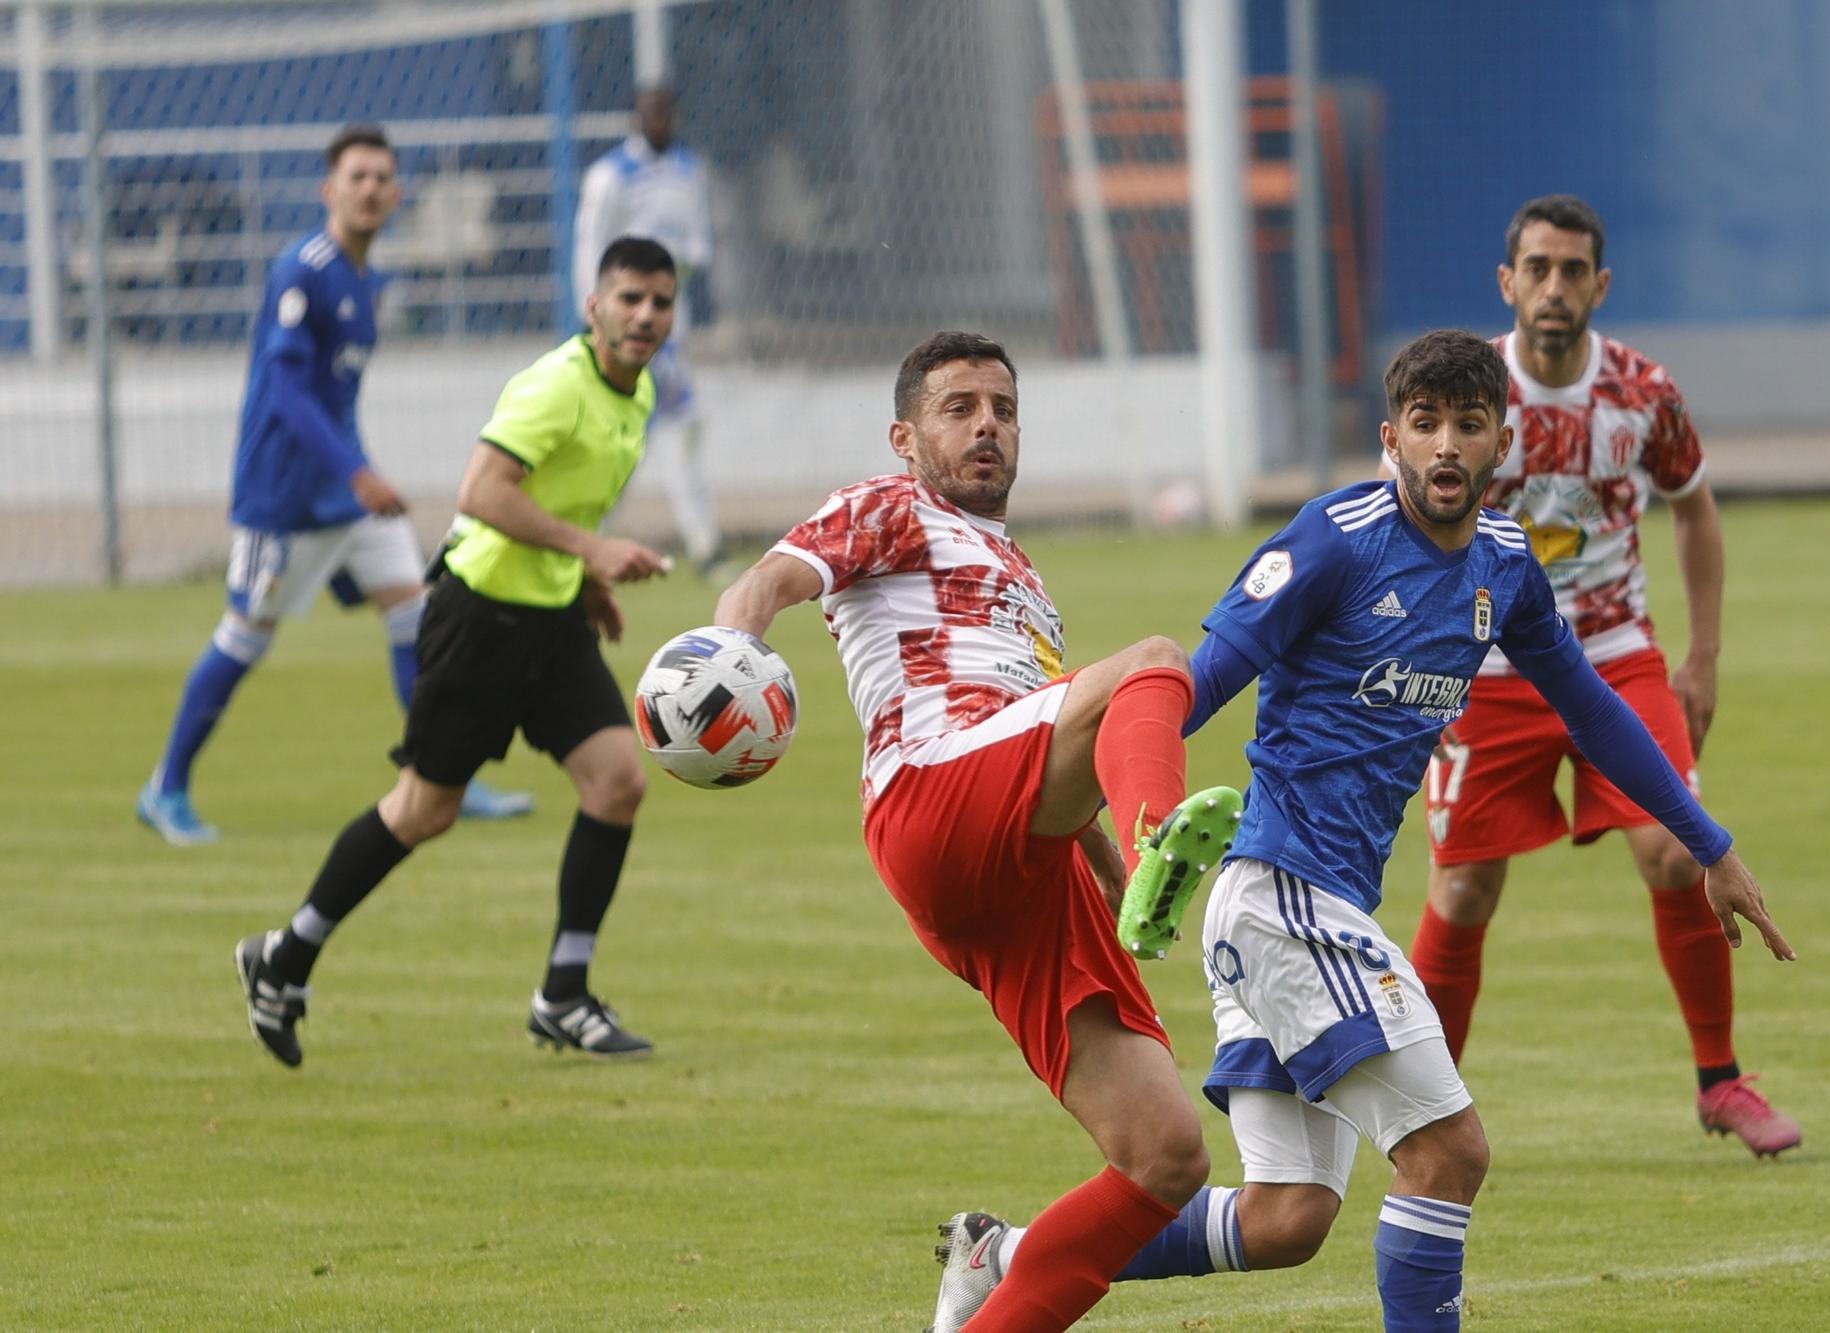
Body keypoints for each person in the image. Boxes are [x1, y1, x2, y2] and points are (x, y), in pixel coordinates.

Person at [933, 330, 1795, 1332]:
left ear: (1497, 442)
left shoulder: (1505, 566)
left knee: (1285, 1218)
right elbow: (1193, 681)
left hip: (1300, 909)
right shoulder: (1333, 539)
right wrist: (1100, 790)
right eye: (1422, 425)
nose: (1443, 447)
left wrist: (1706, 840)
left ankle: (1005, 1258)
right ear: (1389, 436)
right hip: (1281, 902)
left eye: (1466, 426)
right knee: (1449, 1152)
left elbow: (1591, 709)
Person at [712, 331, 1244, 1333]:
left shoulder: (1018, 574)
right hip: (932, 794)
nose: (987, 424)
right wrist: (727, 648)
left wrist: (1109, 879)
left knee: (1165, 1156)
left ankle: (985, 1292)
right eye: (959, 407)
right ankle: (1158, 838)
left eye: (1001, 407)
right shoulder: (888, 503)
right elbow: (773, 578)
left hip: (1015, 852)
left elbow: (1051, 746)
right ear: (904, 437)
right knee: (1155, 662)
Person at [1396, 195, 1801, 1157]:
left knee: (1674, 851)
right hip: (1486, 661)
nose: (1553, 287)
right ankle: (1414, 1107)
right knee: (1463, 893)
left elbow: (1694, 509)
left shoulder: (1643, 393)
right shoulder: (1471, 398)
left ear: (1599, 286)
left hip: (1614, 652)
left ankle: (1721, 1079)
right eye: (1536, 268)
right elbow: (1406, 520)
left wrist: (1701, 656)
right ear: (1508, 283)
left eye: (1572, 270)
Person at [233, 236, 678, 1069]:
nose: (645, 316)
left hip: (549, 622)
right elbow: (481, 493)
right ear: (595, 306)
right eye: (630, 299)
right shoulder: (556, 386)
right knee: (423, 809)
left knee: (617, 782)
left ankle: (564, 994)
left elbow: (560, 495)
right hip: (478, 620)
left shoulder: (640, 391)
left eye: (660, 302)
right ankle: (283, 957)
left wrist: (587, 581)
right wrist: (592, 547)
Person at [137, 125, 532, 845]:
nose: (372, 188)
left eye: (383, 177)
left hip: (348, 496)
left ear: (397, 192)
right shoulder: (303, 268)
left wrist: (358, 471)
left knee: (419, 617)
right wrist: (357, 470)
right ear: (329, 189)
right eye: (358, 176)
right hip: (283, 499)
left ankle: (442, 776)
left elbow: (336, 397)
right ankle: (165, 787)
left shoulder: (367, 277)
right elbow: (287, 394)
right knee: (245, 638)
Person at [573, 84, 729, 580]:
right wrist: (597, 316)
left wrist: (683, 265)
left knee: (667, 430)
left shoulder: (689, 170)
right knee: (641, 434)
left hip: (669, 332)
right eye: (650, 113)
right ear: (635, 118)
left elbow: (699, 244)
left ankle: (696, 547)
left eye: (666, 112)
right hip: (625, 333)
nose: (659, 120)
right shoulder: (611, 176)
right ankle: (591, 541)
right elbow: (590, 248)